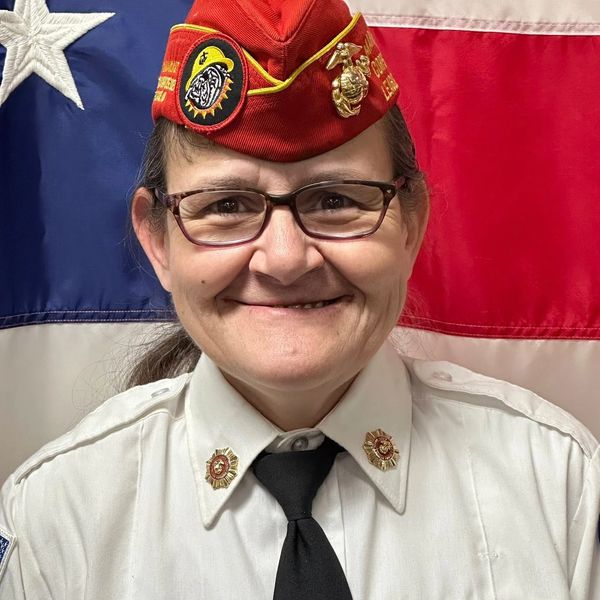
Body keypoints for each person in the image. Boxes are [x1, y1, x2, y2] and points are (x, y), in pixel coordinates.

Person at [1, 0, 599, 598]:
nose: (286, 260)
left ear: (411, 226)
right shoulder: (56, 520)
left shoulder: (559, 487)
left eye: (336, 200)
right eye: (226, 206)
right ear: (158, 242)